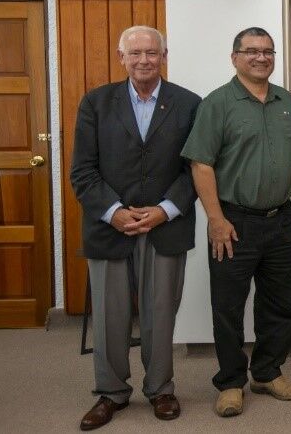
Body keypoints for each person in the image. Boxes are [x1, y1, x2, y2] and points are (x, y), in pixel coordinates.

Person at [71, 26, 200, 430]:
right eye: (135, 53)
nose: (144, 59)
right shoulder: (96, 103)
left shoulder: (189, 103)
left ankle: (161, 388)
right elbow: (83, 171)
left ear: (164, 55)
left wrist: (164, 210)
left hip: (165, 225)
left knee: (160, 313)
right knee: (110, 316)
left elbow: (196, 169)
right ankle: (110, 392)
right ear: (120, 56)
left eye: (151, 52)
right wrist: (114, 211)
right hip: (110, 227)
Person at [181, 27, 291, 417]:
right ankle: (231, 382)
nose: (261, 57)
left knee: (280, 303)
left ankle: (268, 372)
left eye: (268, 51)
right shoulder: (217, 104)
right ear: (234, 57)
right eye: (251, 51)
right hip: (233, 221)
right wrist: (215, 219)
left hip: (281, 220)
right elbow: (201, 163)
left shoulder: (286, 100)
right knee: (228, 307)